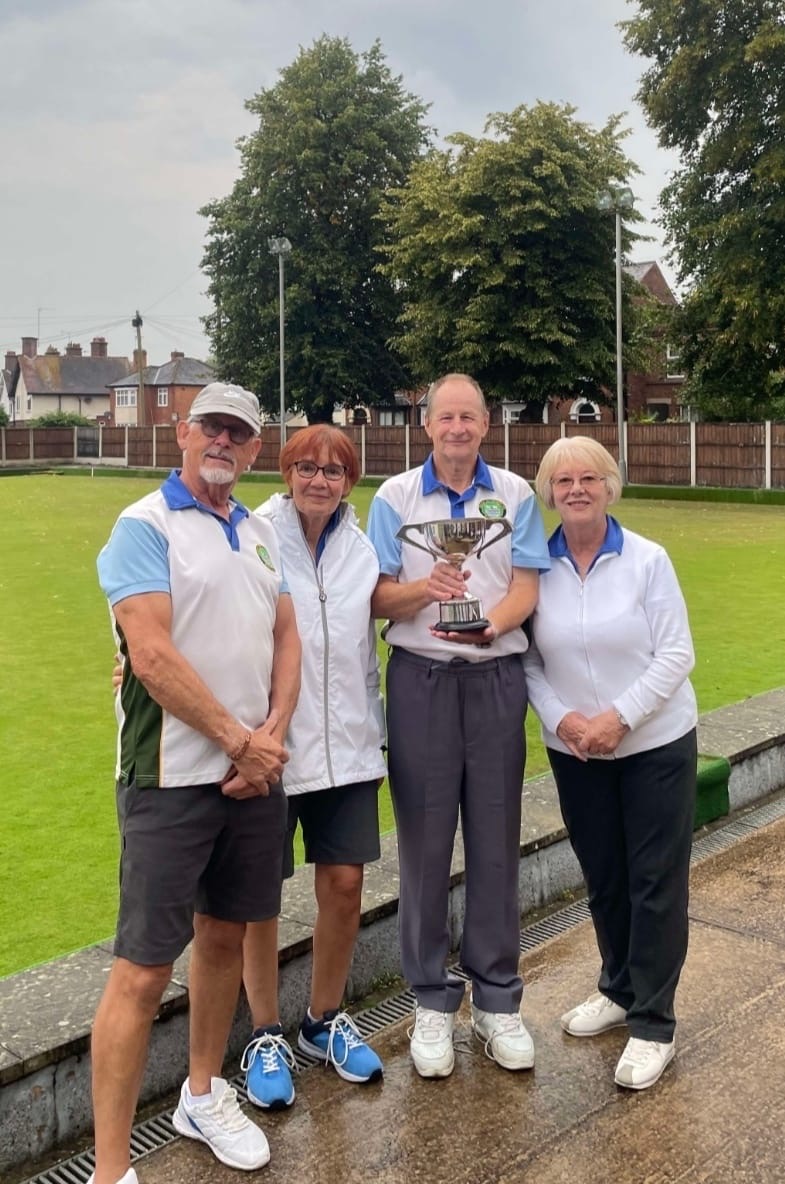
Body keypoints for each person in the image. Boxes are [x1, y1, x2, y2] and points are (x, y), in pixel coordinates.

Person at [92, 382, 301, 1184]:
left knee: (224, 936)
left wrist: (271, 737)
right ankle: (113, 1172)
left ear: (253, 449)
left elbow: (286, 639)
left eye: (239, 433)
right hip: (171, 777)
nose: (224, 441)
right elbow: (148, 654)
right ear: (184, 432)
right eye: (212, 426)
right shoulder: (143, 524)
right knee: (143, 969)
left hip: (251, 776)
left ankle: (203, 1092)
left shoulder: (255, 530)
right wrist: (239, 742)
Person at [366, 373, 550, 1079]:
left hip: (495, 676)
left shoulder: (514, 494)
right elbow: (378, 593)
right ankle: (432, 1004)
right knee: (422, 842)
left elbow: (528, 582)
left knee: (496, 840)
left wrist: (490, 627)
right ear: (426, 424)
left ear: (485, 423)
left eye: (468, 416)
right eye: (445, 416)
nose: (456, 428)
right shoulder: (394, 498)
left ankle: (497, 1002)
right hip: (420, 681)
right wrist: (426, 591)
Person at [524, 436, 697, 1092]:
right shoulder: (533, 566)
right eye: (562, 479)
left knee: (654, 882)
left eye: (588, 478)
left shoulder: (647, 560)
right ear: (548, 492)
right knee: (604, 878)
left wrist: (616, 717)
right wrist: (563, 720)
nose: (575, 489)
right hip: (575, 751)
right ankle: (619, 988)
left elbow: (675, 654)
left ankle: (654, 1023)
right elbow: (527, 661)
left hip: (653, 745)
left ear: (609, 486)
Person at [238, 425, 387, 1109]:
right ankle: (264, 1033)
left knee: (347, 884)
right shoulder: (253, 535)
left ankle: (322, 1021)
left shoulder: (364, 549)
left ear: (349, 481)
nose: (319, 480)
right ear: (286, 470)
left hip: (350, 746)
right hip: (272, 745)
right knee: (256, 897)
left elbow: (376, 635)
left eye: (333, 470)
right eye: (306, 466)